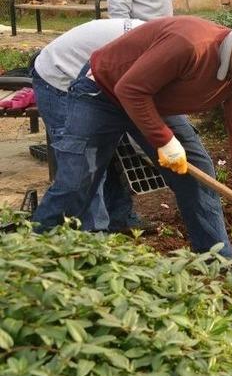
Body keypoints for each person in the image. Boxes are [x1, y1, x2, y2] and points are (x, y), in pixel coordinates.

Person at [33, 17, 232, 274]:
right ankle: (32, 253)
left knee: (197, 173)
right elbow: (130, 89)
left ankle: (220, 265)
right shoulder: (190, 44)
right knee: (79, 180)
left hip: (150, 97)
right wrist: (164, 140)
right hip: (104, 92)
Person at [31, 18, 146, 232]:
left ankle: (119, 220)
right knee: (85, 165)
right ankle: (86, 236)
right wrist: (155, 151)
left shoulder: (162, 47)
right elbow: (137, 117)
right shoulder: (147, 57)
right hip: (59, 79)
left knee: (110, 153)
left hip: (96, 80)